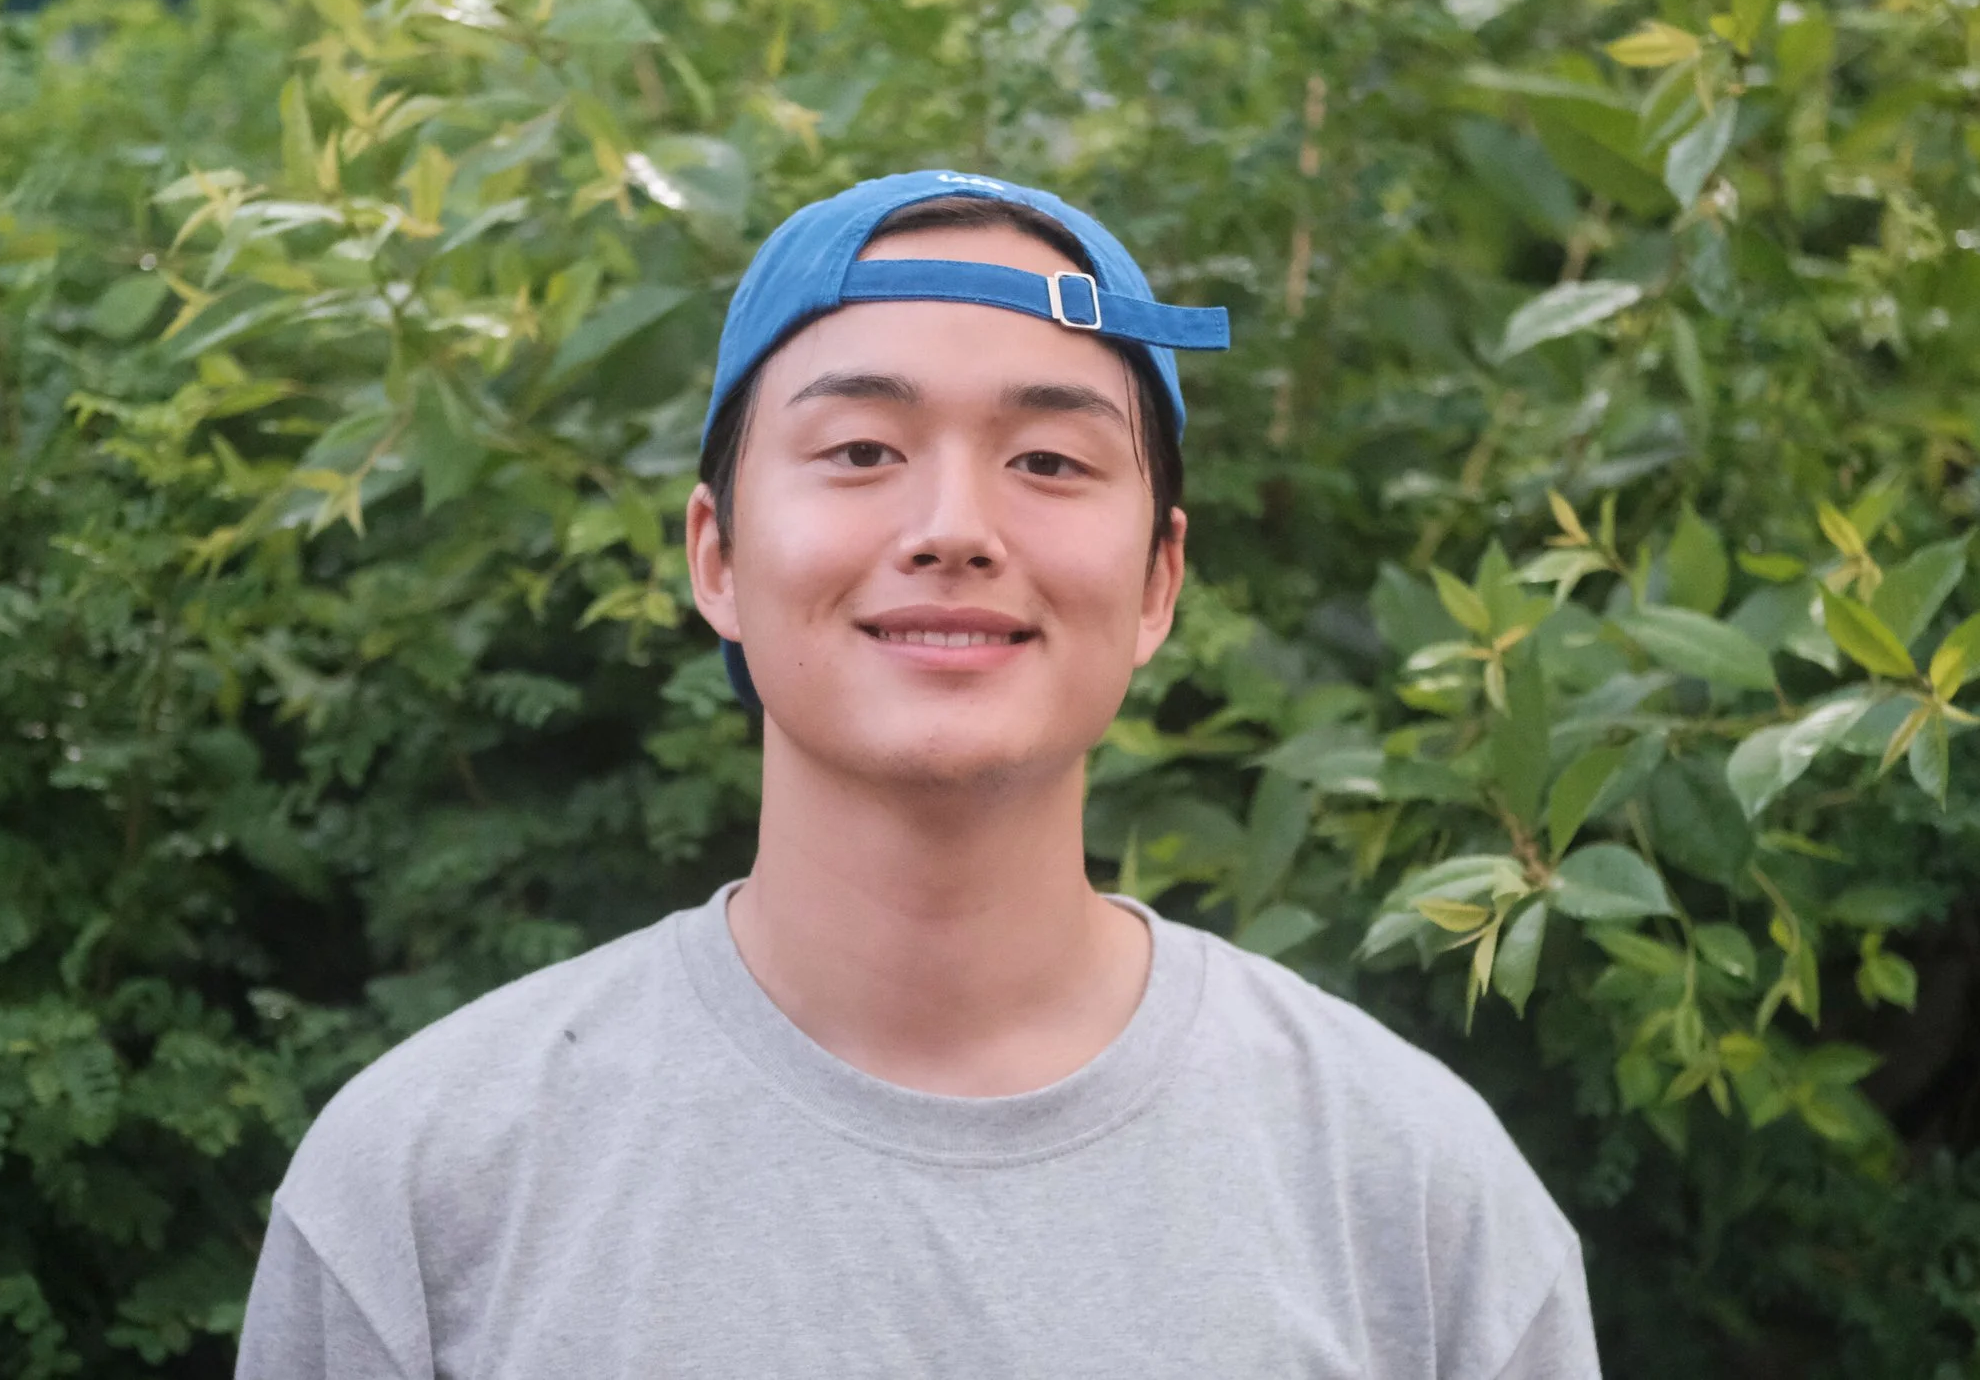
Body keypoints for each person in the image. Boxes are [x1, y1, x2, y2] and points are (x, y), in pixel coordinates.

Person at [236, 169, 1600, 1379]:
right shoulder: (431, 1184)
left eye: (1049, 460)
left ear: (1158, 580)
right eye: (861, 452)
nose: (953, 528)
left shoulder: (1412, 1196)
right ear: (716, 557)